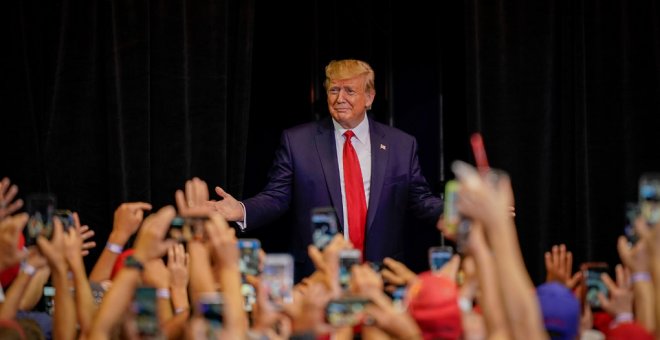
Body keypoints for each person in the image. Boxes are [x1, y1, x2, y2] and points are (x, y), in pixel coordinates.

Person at [208, 59, 444, 279]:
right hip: (318, 276)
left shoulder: (401, 144)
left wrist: (456, 212)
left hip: (380, 276)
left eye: (350, 91)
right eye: (334, 90)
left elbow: (421, 200)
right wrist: (240, 210)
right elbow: (276, 197)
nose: (340, 98)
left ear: (369, 97)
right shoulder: (298, 142)